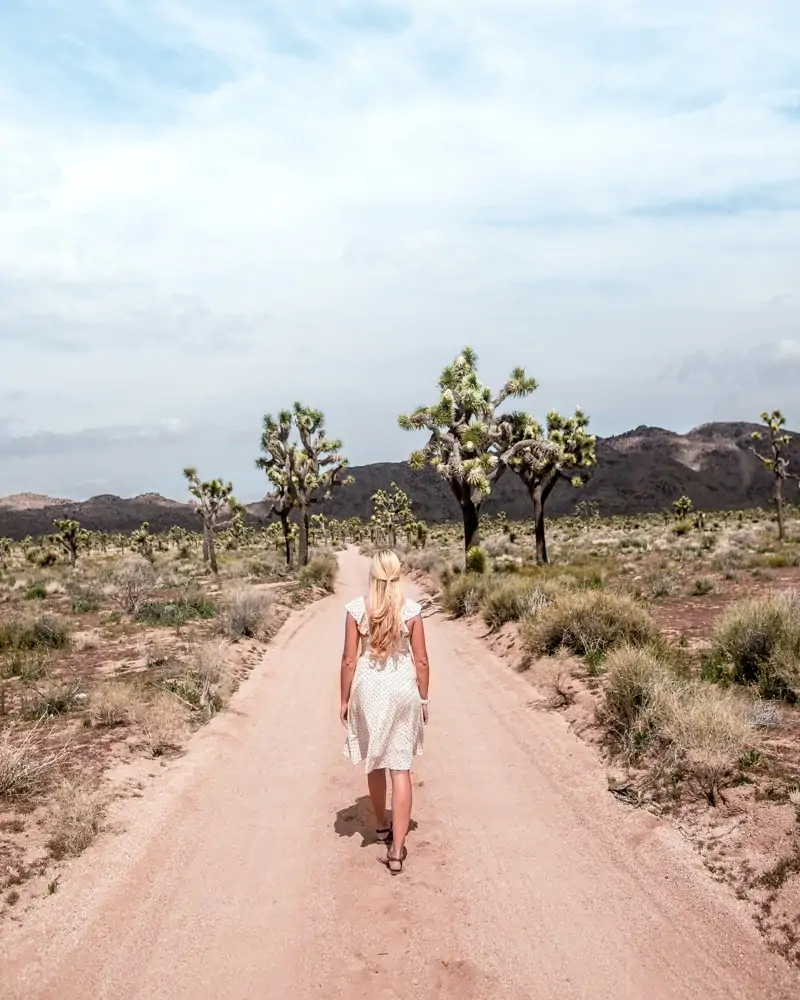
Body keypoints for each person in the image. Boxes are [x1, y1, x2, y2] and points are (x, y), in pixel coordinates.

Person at [340, 549, 430, 875]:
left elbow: (349, 660)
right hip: (403, 689)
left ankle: (381, 825)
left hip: (369, 689)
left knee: (375, 759)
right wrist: (424, 699)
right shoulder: (412, 611)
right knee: (401, 765)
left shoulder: (357, 609)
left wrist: (344, 699)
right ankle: (397, 850)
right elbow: (421, 661)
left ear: (373, 575)